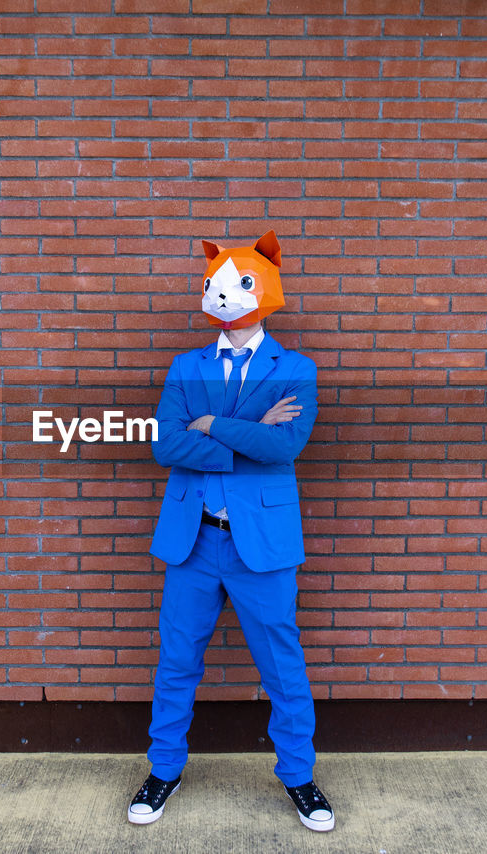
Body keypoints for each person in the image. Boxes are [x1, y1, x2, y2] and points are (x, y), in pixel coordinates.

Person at [127, 230, 333, 832]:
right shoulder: (186, 365)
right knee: (176, 663)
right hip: (193, 541)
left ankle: (299, 777)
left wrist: (212, 421)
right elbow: (167, 445)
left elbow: (284, 445)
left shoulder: (296, 368)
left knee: (283, 668)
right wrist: (245, 430)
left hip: (262, 548)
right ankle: (164, 768)